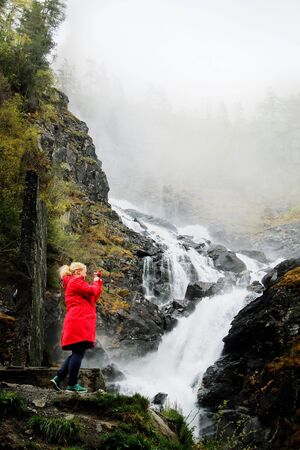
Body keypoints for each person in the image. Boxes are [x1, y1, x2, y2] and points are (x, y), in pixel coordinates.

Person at [50, 262, 103, 392]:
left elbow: (93, 297)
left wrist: (98, 282)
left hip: (78, 321)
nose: (86, 274)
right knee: (79, 352)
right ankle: (72, 384)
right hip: (79, 321)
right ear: (78, 271)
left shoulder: (75, 282)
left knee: (77, 352)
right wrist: (95, 282)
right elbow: (91, 290)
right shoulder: (76, 281)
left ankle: (58, 378)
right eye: (85, 272)